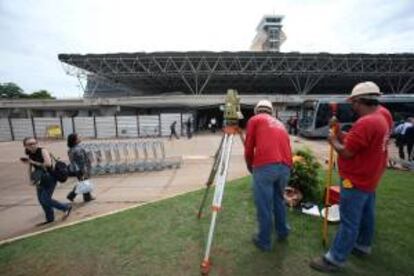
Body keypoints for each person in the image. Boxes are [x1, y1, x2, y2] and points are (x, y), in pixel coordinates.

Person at [310, 81, 390, 272]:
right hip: (371, 176)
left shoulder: (367, 122)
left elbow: (346, 152)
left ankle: (334, 259)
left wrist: (332, 139)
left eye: (353, 102)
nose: (352, 106)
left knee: (349, 221)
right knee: (366, 214)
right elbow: (359, 142)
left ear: (360, 101)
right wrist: (339, 132)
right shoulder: (383, 115)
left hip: (356, 179)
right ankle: (363, 245)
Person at [244, 100, 293, 251]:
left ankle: (263, 240)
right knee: (279, 200)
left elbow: (248, 148)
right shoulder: (280, 124)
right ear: (271, 111)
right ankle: (283, 231)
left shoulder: (255, 120)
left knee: (264, 205)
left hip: (265, 165)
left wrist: (250, 166)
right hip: (285, 166)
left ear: (257, 110)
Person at [20, 137, 72, 225]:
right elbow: (29, 167)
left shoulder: (43, 151)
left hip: (50, 178)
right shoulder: (30, 154)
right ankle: (50, 218)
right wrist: (30, 179)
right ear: (25, 146)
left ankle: (65, 207)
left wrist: (32, 162)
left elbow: (48, 164)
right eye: (30, 144)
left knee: (45, 199)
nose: (32, 145)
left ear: (37, 143)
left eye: (34, 143)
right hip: (40, 178)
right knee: (41, 200)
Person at [66, 133, 95, 202]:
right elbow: (81, 162)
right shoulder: (78, 149)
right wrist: (84, 171)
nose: (80, 138)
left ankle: (86, 196)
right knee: (84, 182)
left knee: (83, 182)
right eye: (78, 137)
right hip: (81, 169)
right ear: (75, 140)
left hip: (76, 169)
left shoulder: (71, 149)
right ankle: (73, 195)